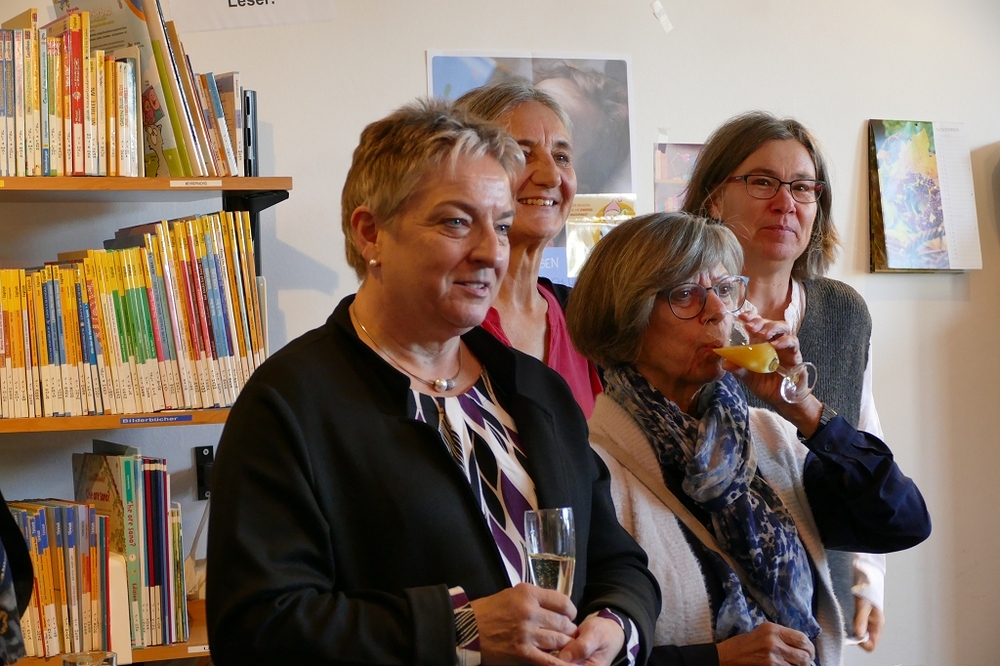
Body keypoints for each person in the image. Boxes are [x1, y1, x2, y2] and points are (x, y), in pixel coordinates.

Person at [206, 99, 660, 666]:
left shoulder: (536, 391)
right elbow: (256, 631)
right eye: (456, 222)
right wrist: (459, 631)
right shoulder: (290, 404)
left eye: (500, 225)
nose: (491, 252)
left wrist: (616, 625)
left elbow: (619, 563)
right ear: (371, 234)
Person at [566, 212, 930, 666]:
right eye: (685, 294)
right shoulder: (592, 466)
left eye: (724, 289)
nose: (718, 311)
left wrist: (803, 405)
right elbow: (585, 654)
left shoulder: (769, 437)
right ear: (626, 319)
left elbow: (901, 520)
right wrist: (715, 660)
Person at [681, 111, 888, 651]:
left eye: (802, 187)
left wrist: (868, 575)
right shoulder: (681, 311)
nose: (785, 202)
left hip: (822, 595)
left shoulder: (844, 311)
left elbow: (863, 437)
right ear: (713, 199)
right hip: (707, 607)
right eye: (762, 182)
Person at [455, 81, 603, 416]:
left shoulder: (585, 320)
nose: (552, 176)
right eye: (521, 155)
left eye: (561, 157)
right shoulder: (439, 321)